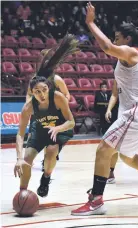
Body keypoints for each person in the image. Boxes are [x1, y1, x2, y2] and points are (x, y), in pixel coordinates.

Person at [71, 3, 138, 216]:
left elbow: (107, 47)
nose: (115, 40)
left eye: (118, 37)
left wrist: (90, 22)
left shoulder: (130, 52)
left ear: (127, 40)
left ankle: (96, 200)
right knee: (126, 156)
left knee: (103, 149)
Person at [14, 35, 79, 197]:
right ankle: (23, 193)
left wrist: (58, 120)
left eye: (43, 90)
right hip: (40, 126)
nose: (41, 94)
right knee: (27, 158)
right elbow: (20, 133)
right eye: (37, 92)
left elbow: (71, 118)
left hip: (60, 124)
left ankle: (46, 178)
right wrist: (19, 158)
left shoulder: (57, 87)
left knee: (51, 150)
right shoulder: (31, 99)